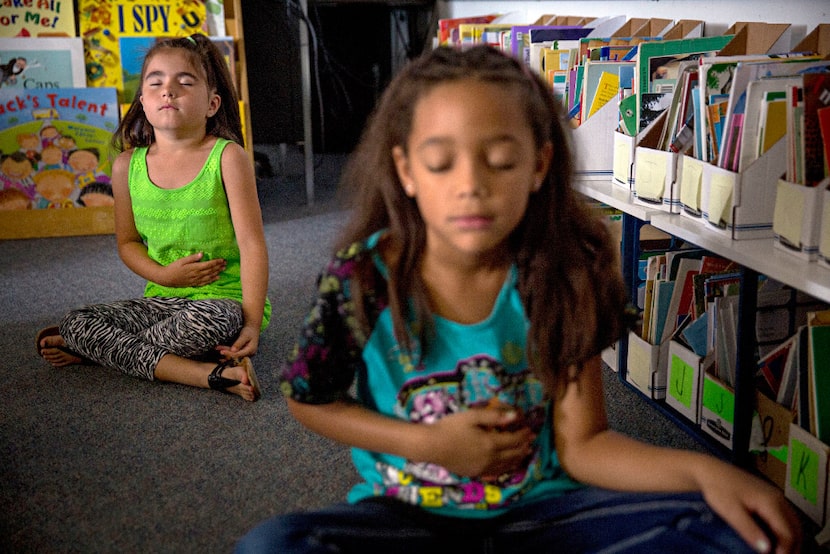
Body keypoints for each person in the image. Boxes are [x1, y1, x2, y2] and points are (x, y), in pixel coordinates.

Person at [236, 46, 802, 551]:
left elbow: (584, 445)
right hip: (409, 517)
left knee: (727, 528)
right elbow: (309, 398)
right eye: (440, 162)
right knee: (276, 543)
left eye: (501, 161)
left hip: (546, 516)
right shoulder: (362, 278)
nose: (471, 184)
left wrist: (706, 473)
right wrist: (430, 443)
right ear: (405, 169)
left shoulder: (564, 274)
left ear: (539, 165)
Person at [36, 34, 270, 402]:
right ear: (142, 102)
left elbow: (252, 243)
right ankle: (206, 373)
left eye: (185, 81)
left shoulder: (228, 157)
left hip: (221, 302)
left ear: (212, 104)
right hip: (161, 301)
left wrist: (253, 322)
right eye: (156, 82)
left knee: (208, 323)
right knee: (74, 321)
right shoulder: (126, 166)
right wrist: (164, 275)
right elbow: (127, 243)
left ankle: (95, 351)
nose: (168, 91)